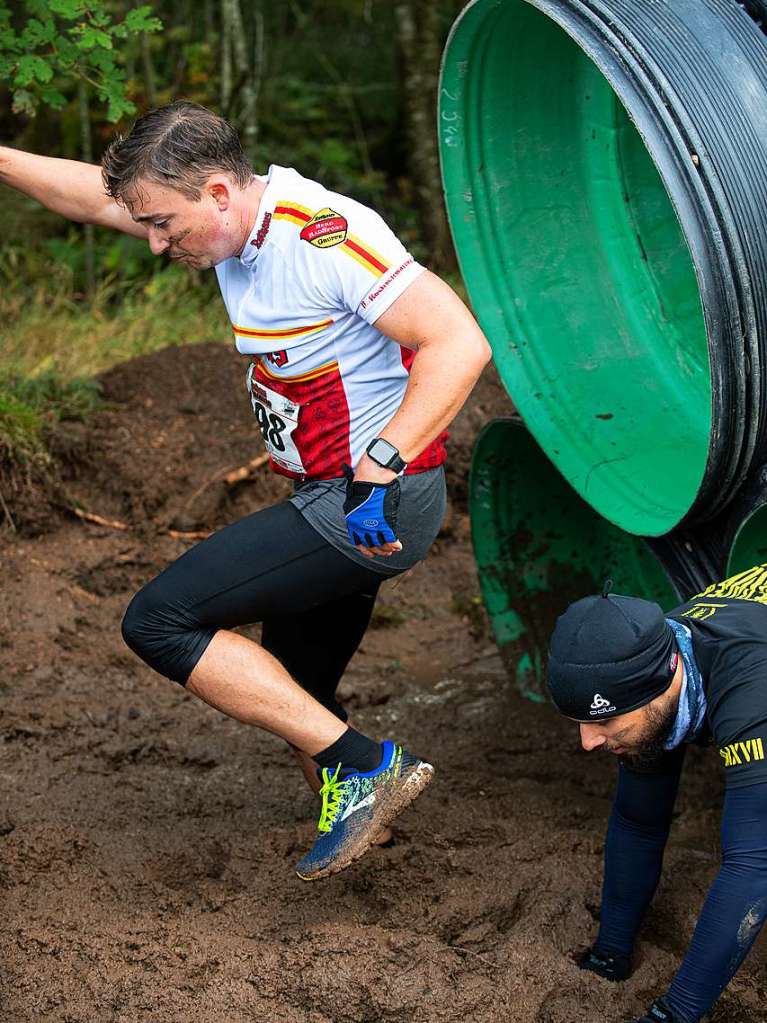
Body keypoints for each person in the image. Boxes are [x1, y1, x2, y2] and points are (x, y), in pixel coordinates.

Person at [0, 101, 491, 880]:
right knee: (297, 688)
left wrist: (378, 467)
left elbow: (458, 341)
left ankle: (366, 768)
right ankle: (370, 831)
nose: (156, 243)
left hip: (368, 503)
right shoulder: (220, 227)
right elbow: (91, 196)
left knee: (158, 619)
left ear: (221, 192)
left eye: (164, 225)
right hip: (328, 493)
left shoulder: (324, 234)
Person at [546, 568, 767, 1023]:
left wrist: (675, 1014)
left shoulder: (751, 690)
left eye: (604, 723)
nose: (588, 743)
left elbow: (752, 864)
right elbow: (638, 821)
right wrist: (610, 953)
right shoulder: (646, 654)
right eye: (582, 723)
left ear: (664, 688)